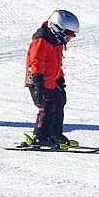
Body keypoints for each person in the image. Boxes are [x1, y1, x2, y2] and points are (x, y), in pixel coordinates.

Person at [24, 10, 79, 148]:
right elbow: (36, 62)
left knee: (59, 103)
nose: (68, 40)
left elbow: (56, 63)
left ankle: (55, 134)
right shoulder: (41, 40)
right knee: (47, 107)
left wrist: (60, 79)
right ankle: (40, 136)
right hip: (39, 81)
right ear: (57, 29)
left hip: (52, 81)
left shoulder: (56, 41)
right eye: (68, 36)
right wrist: (38, 85)